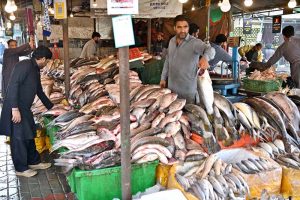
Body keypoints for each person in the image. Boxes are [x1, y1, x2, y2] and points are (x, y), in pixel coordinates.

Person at [0, 46, 54, 177]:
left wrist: (52, 108)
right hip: (15, 107)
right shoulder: (24, 65)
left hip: (25, 108)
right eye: (46, 61)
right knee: (18, 138)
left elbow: (39, 91)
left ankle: (33, 161)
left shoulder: (35, 69)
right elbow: (13, 85)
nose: (46, 64)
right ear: (41, 58)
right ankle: (21, 169)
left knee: (29, 134)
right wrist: (14, 109)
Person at [160, 15, 215, 104]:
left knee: (188, 117)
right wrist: (163, 78)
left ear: (188, 28)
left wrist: (205, 58)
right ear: (174, 28)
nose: (182, 30)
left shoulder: (194, 42)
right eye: (179, 27)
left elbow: (211, 50)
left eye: (185, 27)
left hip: (187, 92)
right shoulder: (172, 41)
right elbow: (167, 60)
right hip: (171, 90)